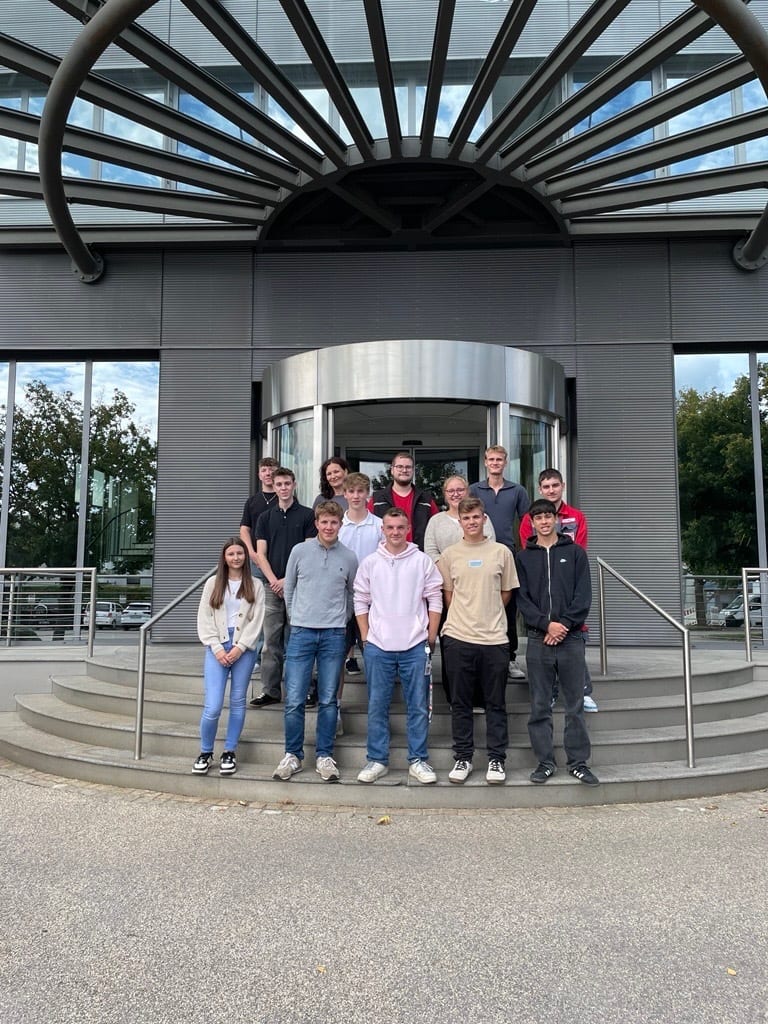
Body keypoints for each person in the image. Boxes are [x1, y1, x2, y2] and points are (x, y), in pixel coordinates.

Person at [354, 507, 443, 784]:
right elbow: (360, 600)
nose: (395, 532)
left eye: (400, 527)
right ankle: (377, 760)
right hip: (378, 646)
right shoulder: (370, 562)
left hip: (415, 645)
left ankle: (418, 760)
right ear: (383, 530)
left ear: (408, 529)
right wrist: (366, 637)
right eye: (390, 527)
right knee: (377, 706)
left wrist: (430, 636)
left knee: (418, 706)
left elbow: (435, 598)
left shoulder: (422, 561)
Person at [515, 498, 599, 787]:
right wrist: (545, 624)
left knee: (574, 705)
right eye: (538, 517)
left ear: (556, 519)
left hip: (571, 639)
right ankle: (545, 762)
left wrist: (562, 625)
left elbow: (583, 596)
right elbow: (522, 599)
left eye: (548, 516)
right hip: (538, 640)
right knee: (540, 705)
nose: (544, 521)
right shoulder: (523, 558)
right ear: (532, 522)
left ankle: (578, 763)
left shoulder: (575, 553)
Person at [273, 501, 358, 783]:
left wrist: (341, 619)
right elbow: (289, 587)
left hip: (333, 634)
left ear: (340, 525)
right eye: (324, 522)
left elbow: (351, 594)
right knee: (294, 699)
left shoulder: (349, 557)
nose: (329, 527)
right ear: (317, 523)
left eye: (334, 522)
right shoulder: (299, 551)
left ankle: (324, 755)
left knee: (329, 699)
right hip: (302, 632)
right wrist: (296, 617)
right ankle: (292, 755)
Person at [439, 496, 518, 785]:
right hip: (458, 637)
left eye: (476, 517)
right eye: (466, 518)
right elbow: (449, 595)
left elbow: (506, 592)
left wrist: (487, 612)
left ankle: (496, 759)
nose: (472, 522)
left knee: (495, 703)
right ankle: (463, 757)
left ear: (484, 519)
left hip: (494, 639)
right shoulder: (449, 555)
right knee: (460, 703)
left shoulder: (501, 552)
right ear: (459, 522)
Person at [519, 467, 597, 712]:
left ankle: (583, 690)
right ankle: (551, 692)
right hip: (542, 587)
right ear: (540, 489)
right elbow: (529, 549)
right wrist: (548, 625)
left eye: (555, 485)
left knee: (573, 640)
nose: (551, 490)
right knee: (546, 648)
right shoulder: (529, 518)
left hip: (567, 580)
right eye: (546, 486)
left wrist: (560, 626)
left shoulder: (576, 516)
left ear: (562, 486)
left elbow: (579, 548)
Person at [193, 537, 265, 777]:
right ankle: (205, 752)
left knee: (237, 701)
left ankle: (229, 751)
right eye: (231, 554)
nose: (236, 558)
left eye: (240, 553)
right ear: (224, 557)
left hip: (243, 648)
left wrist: (240, 647)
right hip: (217, 646)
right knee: (213, 705)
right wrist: (216, 647)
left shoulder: (255, 585)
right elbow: (204, 617)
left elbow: (257, 620)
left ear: (246, 557)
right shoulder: (213, 583)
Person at [424, 474, 496, 704]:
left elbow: (491, 548)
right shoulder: (436, 521)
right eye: (450, 491)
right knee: (452, 645)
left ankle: (479, 697)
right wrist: (450, 575)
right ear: (444, 495)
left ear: (468, 491)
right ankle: (454, 697)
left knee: (479, 645)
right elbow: (430, 552)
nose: (455, 494)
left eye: (460, 489)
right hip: (446, 589)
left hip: (478, 591)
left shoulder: (483, 519)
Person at [250, 467, 316, 707]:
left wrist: (287, 581)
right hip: (272, 587)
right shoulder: (265, 518)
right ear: (274, 486)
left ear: (294, 485)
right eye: (279, 484)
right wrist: (273, 581)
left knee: (299, 641)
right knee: (270, 643)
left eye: (287, 483)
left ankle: (305, 690)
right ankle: (270, 691)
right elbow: (261, 554)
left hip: (299, 587)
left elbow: (309, 552)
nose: (283, 488)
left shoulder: (308, 515)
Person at [469, 445, 529, 680]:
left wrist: (525, 552)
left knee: (508, 607)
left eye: (499, 459)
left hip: (507, 555)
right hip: (478, 555)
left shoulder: (517, 491)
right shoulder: (474, 490)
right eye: (491, 459)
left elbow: (526, 524)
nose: (495, 463)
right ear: (485, 462)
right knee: (478, 604)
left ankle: (510, 658)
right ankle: (478, 657)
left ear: (506, 463)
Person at [338, 471, 383, 685]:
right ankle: (335, 701)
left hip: (371, 597)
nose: (356, 496)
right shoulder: (337, 526)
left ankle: (377, 699)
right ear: (345, 494)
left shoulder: (379, 525)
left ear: (368, 494)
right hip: (341, 596)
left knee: (373, 651)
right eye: (351, 491)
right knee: (337, 655)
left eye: (360, 491)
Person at [239, 456, 279, 673]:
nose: (268, 473)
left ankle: (275, 655)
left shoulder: (285, 498)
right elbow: (244, 529)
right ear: (259, 474)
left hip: (278, 562)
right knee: (257, 609)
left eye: (272, 470)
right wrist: (251, 552)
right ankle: (255, 656)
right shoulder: (252, 501)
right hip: (256, 562)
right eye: (264, 470)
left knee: (276, 611)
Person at [368, 451, 438, 550]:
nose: (404, 470)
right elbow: (368, 528)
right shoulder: (377, 499)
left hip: (418, 554)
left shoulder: (426, 499)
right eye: (399, 467)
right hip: (386, 555)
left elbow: (436, 528)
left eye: (408, 467)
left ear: (413, 470)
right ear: (392, 470)